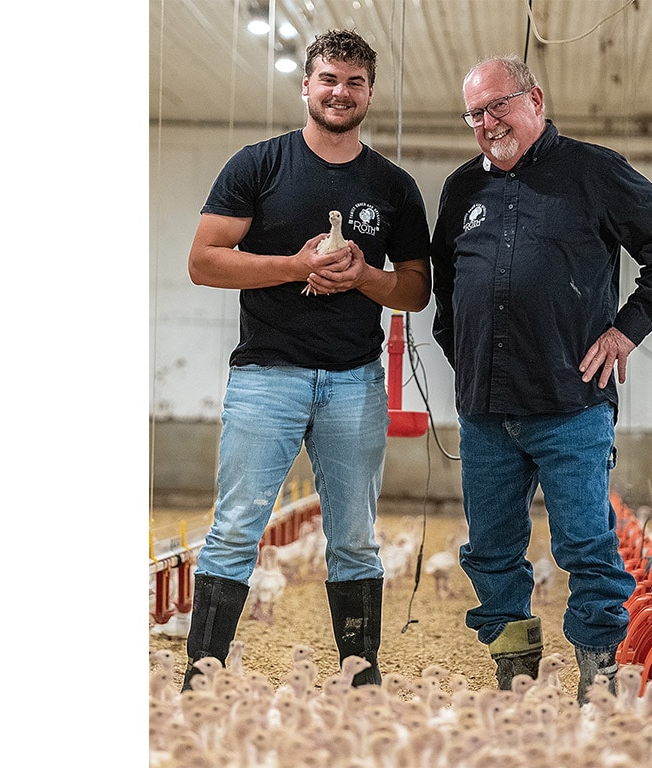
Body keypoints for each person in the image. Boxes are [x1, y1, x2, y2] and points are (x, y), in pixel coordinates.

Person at [430, 56, 652, 704]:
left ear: (535, 99)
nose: (488, 122)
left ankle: (599, 672)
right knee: (491, 553)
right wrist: (464, 356)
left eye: (499, 105)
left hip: (570, 405)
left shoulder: (591, 171)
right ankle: (514, 669)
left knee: (586, 545)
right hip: (486, 411)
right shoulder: (462, 188)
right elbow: (447, 287)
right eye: (475, 113)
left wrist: (627, 329)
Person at [181, 29, 431, 691]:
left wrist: (362, 276)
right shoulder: (258, 166)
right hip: (268, 374)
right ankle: (201, 678)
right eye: (329, 79)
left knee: (354, 536)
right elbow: (204, 261)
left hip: (354, 379)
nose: (340, 92)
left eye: (353, 82)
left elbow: (414, 289)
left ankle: (360, 676)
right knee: (236, 528)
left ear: (369, 93)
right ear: (306, 85)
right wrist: (296, 265)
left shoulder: (393, 185)